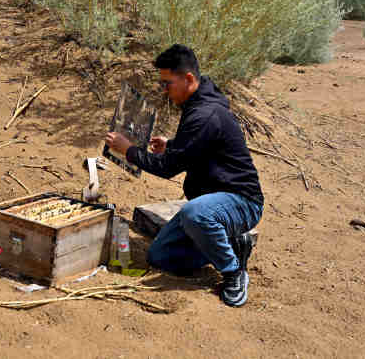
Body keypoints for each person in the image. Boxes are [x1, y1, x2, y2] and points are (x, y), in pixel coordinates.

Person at [105, 44, 263, 307]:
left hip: (241, 201)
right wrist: (174, 145)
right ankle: (232, 244)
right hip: (214, 200)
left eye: (167, 84)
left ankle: (233, 271)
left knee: (196, 214)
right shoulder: (200, 102)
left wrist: (129, 150)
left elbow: (168, 168)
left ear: (188, 79)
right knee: (160, 256)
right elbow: (201, 144)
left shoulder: (204, 112)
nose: (164, 91)